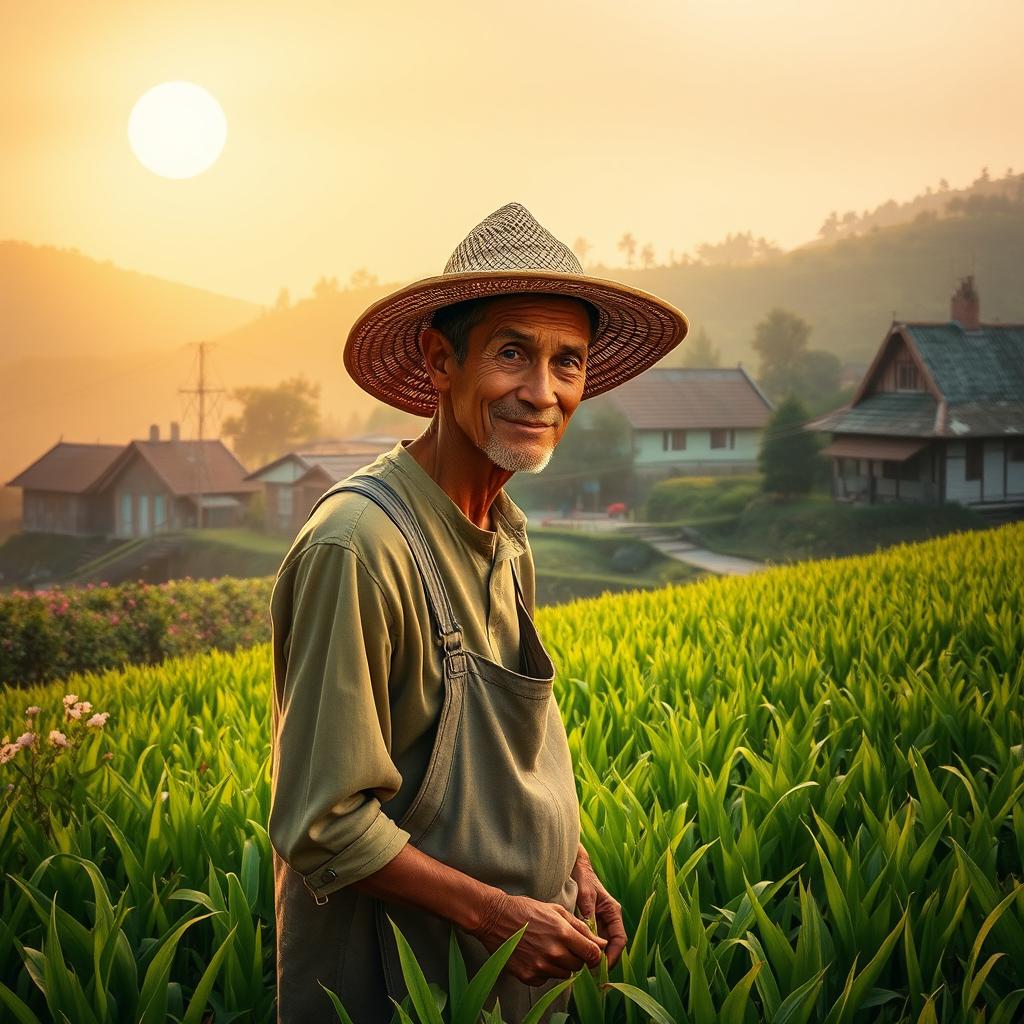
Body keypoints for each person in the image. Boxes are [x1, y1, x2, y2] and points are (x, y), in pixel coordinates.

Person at [269, 202, 688, 1023]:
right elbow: (321, 823)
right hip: (400, 991)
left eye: (568, 363)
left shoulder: (506, 535)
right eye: (511, 353)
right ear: (438, 359)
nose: (543, 392)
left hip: (503, 986)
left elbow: (505, 766)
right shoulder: (359, 547)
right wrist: (501, 917)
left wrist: (575, 868)